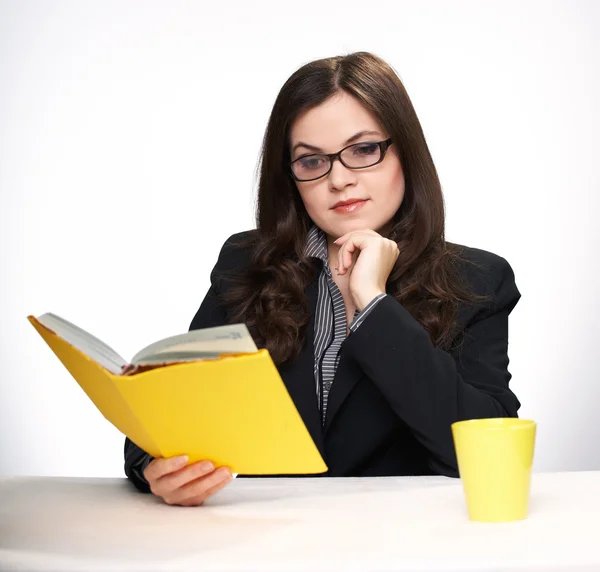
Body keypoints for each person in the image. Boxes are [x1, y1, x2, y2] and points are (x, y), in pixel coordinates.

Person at [124, 51, 521, 506]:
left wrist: (373, 303)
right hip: (259, 542)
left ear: (405, 154)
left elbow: (489, 447)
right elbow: (166, 410)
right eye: (312, 162)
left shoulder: (476, 279)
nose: (339, 180)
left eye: (363, 150)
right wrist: (152, 467)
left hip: (401, 543)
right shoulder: (245, 262)